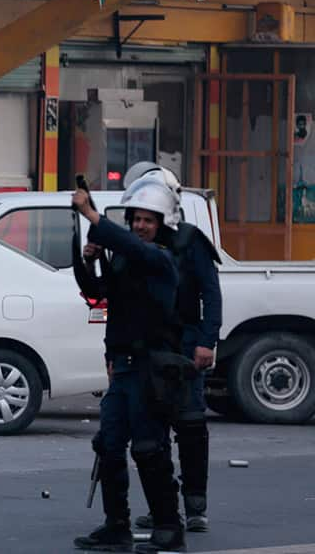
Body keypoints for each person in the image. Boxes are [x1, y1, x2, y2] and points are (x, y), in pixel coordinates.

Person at [71, 174, 188, 553]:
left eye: (148, 221)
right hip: (121, 366)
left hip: (150, 367)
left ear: (162, 225)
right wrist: (86, 257)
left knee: (149, 448)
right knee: (108, 444)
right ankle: (116, 525)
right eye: (136, 219)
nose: (140, 226)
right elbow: (98, 294)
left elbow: (136, 251)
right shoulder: (124, 256)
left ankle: (169, 527)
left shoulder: (162, 259)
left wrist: (92, 216)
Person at [123, 164, 222, 534]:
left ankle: (195, 506)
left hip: (184, 349)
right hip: (148, 350)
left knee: (192, 428)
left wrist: (206, 341)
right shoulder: (135, 247)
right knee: (152, 435)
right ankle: (163, 507)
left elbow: (210, 294)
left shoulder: (190, 242)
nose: (141, 223)